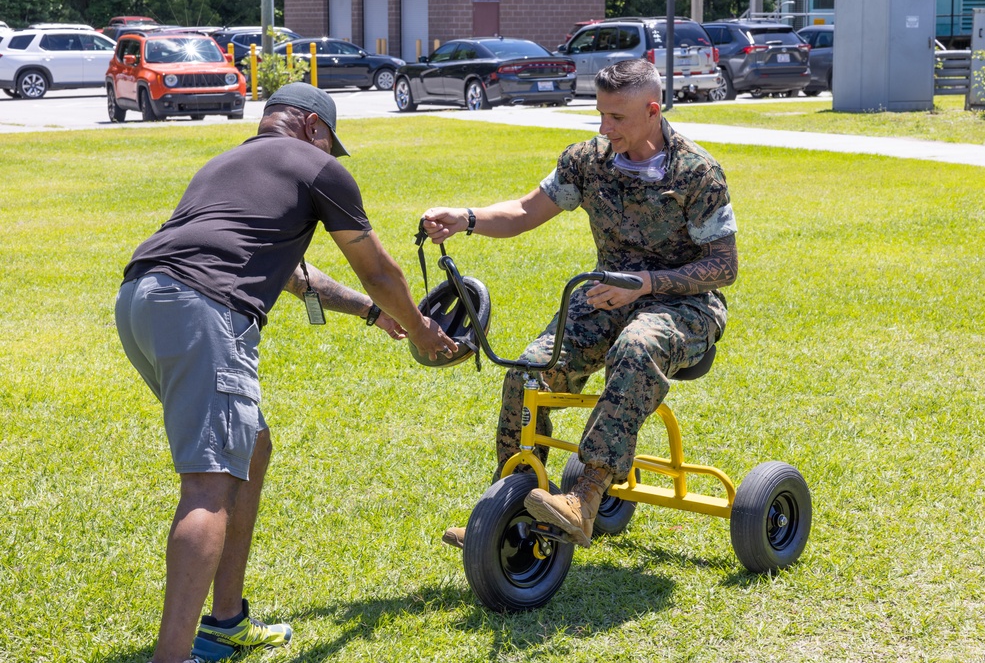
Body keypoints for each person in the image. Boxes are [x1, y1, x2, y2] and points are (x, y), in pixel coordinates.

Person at [115, 83, 457, 663]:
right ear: (310, 126)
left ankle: (227, 621)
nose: (329, 152)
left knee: (251, 445)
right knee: (209, 482)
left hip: (142, 301)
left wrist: (376, 317)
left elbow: (301, 279)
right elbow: (376, 267)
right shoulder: (316, 166)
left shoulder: (228, 163)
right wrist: (423, 330)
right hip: (205, 309)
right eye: (328, 140)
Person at [421, 59, 738, 550]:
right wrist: (465, 218)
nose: (604, 128)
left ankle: (585, 496)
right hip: (606, 297)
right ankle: (507, 504)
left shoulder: (696, 172)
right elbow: (526, 211)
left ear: (652, 110)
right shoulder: (586, 160)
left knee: (636, 346)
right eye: (600, 115)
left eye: (617, 118)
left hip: (685, 305)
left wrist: (646, 284)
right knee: (528, 371)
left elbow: (724, 267)